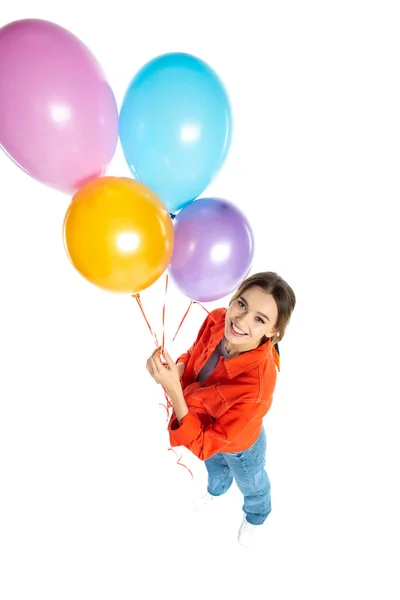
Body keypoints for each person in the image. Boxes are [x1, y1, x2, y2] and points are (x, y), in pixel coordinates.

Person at [146, 271, 296, 547]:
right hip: (202, 427)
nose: (240, 321)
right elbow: (192, 354)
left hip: (241, 448)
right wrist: (177, 370)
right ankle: (216, 491)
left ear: (272, 332)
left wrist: (173, 390)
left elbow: (203, 445)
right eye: (241, 304)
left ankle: (256, 516)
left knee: (253, 484)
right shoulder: (216, 319)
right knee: (215, 472)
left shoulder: (258, 386)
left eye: (259, 319)